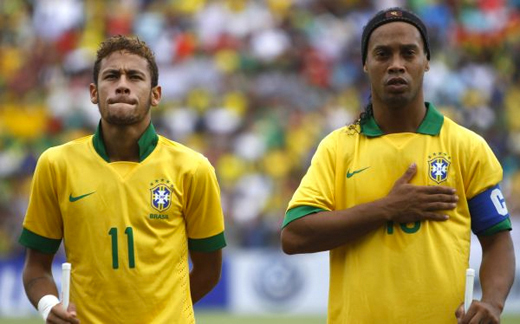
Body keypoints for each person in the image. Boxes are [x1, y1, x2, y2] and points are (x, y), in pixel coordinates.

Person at [281, 7, 515, 324]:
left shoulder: (466, 146)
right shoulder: (338, 147)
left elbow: (498, 240)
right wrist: (386, 208)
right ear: (365, 64)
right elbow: (293, 236)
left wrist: (493, 302)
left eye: (408, 53)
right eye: (382, 54)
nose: (396, 65)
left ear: (426, 61)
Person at [19, 35, 226, 323]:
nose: (122, 84)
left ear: (155, 94)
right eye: (112, 76)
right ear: (94, 92)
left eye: (135, 76)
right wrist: (47, 305)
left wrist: (164, 312)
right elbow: (36, 267)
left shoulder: (193, 168)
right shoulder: (56, 164)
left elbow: (209, 270)